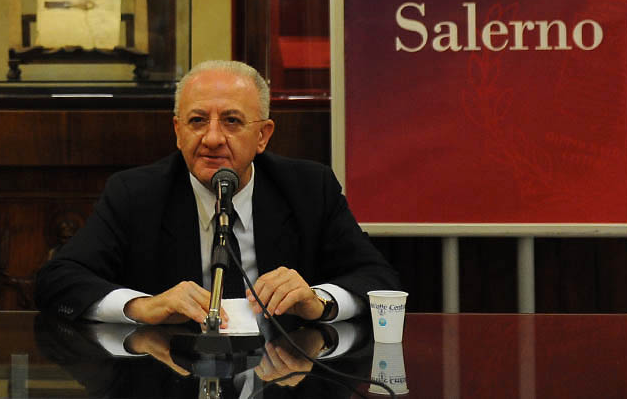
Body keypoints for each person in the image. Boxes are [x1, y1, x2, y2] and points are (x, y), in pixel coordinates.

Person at [35, 60, 399, 326]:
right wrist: (143, 306)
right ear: (178, 132)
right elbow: (58, 281)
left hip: (286, 378)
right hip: (169, 375)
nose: (211, 138)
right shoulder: (136, 193)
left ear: (263, 135)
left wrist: (318, 302)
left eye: (232, 121)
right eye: (197, 121)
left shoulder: (309, 188)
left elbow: (377, 278)